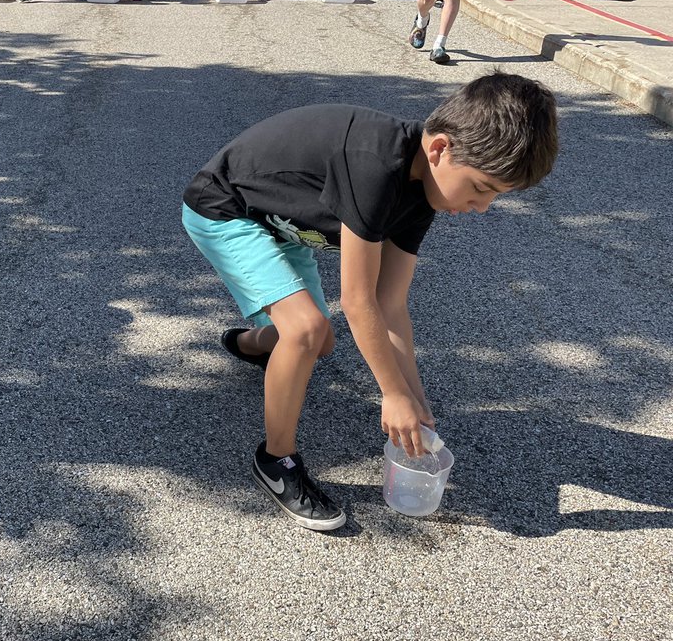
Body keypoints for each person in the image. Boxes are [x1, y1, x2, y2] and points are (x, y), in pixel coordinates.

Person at [180, 72, 558, 531]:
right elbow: (358, 303)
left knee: (316, 343)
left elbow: (391, 304)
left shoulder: (424, 195)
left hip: (286, 224)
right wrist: (392, 393)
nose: (482, 208)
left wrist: (417, 401)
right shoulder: (374, 165)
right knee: (307, 330)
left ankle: (252, 344)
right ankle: (275, 461)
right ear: (440, 149)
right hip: (227, 209)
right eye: (481, 189)